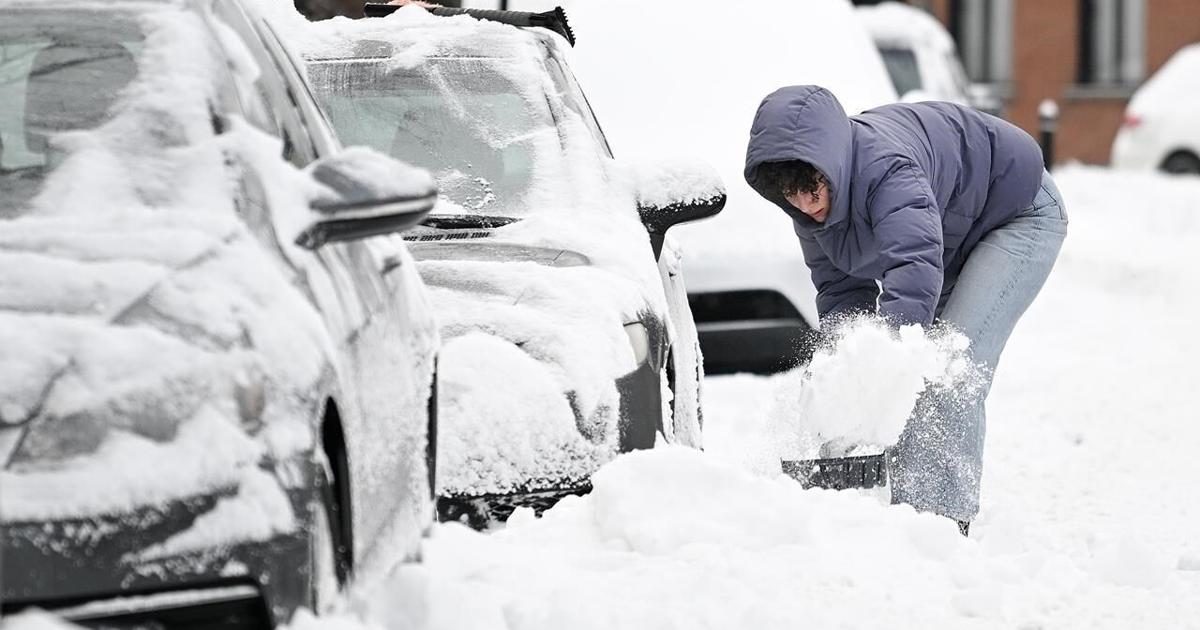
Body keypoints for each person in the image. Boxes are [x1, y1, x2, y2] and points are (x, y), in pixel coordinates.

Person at [744, 85, 1068, 534]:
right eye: (791, 195)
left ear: (831, 163)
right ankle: (893, 521)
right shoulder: (809, 213)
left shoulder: (887, 170)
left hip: (1017, 213)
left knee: (947, 366)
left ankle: (937, 531)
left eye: (811, 189)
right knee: (887, 366)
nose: (806, 205)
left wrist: (886, 368)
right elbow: (841, 294)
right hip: (954, 236)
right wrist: (846, 379)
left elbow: (912, 271)